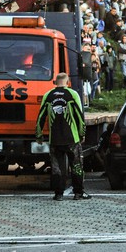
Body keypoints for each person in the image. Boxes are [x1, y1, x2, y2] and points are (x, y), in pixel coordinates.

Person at [35, 73, 90, 201]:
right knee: (76, 165)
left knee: (57, 168)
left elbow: (41, 117)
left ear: (55, 82)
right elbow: (79, 116)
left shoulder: (47, 96)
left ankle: (58, 194)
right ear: (68, 82)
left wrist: (39, 135)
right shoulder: (72, 94)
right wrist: (82, 134)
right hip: (72, 139)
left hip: (55, 140)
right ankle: (78, 193)